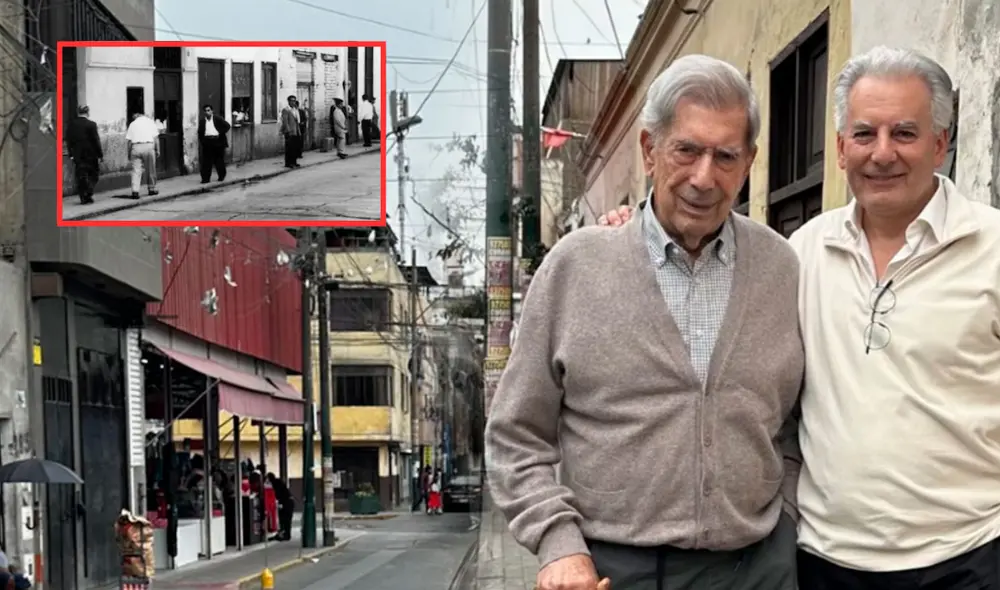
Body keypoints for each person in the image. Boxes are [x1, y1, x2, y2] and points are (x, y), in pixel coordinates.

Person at [599, 46, 1000, 589]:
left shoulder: (992, 247)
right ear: (838, 148)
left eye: (904, 133)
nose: (882, 153)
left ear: (940, 143)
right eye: (864, 134)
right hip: (822, 562)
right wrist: (627, 231)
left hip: (967, 558)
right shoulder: (797, 255)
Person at [485, 54, 804, 590]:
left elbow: (798, 418)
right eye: (687, 149)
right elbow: (517, 433)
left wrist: (788, 519)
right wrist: (557, 545)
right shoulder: (576, 267)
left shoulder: (782, 267)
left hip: (758, 569)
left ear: (749, 163)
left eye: (726, 156)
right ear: (649, 149)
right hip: (612, 570)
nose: (704, 178)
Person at [65, 104, 102, 204]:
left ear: (78, 112)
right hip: (91, 154)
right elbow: (96, 140)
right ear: (88, 112)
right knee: (94, 174)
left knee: (80, 175)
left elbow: (69, 140)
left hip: (77, 154)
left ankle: (83, 196)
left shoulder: (71, 124)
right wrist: (100, 155)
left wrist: (71, 154)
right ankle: (88, 192)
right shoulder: (91, 124)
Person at [124, 111, 159, 199]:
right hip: (148, 146)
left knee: (136, 170)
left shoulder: (132, 124)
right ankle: (151, 189)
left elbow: (129, 141)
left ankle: (135, 191)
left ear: (136, 116)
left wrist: (129, 153)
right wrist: (158, 150)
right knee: (151, 169)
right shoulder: (150, 122)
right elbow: (156, 138)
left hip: (136, 147)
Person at [197, 104, 231, 183]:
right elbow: (200, 132)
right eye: (205, 111)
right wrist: (203, 141)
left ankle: (221, 176)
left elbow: (227, 126)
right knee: (206, 161)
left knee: (218, 160)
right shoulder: (202, 121)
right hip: (207, 142)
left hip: (217, 141)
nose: (207, 112)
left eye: (208, 110)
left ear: (212, 111)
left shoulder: (217, 119)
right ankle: (205, 179)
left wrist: (220, 132)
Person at [266, 472, 294, 541]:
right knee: (286, 520)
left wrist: (279, 503)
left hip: (286, 503)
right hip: (288, 502)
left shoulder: (276, 484)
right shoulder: (278, 482)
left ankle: (285, 535)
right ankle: (285, 534)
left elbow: (278, 494)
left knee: (285, 519)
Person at [279, 95, 301, 169]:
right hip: (289, 132)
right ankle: (288, 163)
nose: (293, 102)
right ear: (288, 101)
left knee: (295, 148)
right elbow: (285, 121)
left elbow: (297, 121)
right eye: (291, 101)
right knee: (289, 148)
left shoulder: (295, 109)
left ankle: (294, 162)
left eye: (294, 101)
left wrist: (298, 131)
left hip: (296, 131)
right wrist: (288, 131)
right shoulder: (286, 110)